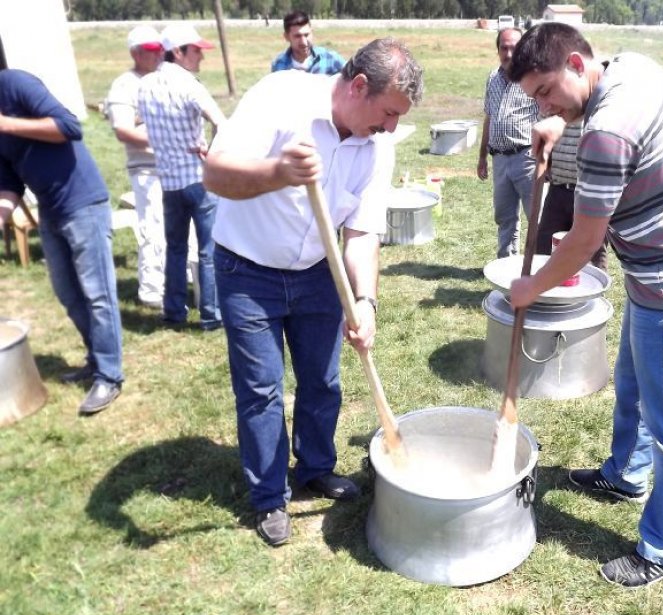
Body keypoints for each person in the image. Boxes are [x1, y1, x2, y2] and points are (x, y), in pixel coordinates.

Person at [507, 23, 663, 588]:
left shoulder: (606, 135)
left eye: (546, 92)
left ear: (577, 64)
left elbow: (584, 241)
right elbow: (595, 110)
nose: (544, 105)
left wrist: (532, 287)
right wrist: (561, 118)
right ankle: (626, 474)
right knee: (633, 382)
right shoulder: (632, 66)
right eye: (536, 99)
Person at [204, 38, 424, 546]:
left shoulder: (378, 145)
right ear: (359, 86)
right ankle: (269, 496)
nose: (392, 127)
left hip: (318, 272)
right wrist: (277, 172)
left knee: (323, 380)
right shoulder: (281, 97)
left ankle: (316, 467)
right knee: (261, 389)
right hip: (247, 269)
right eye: (389, 113)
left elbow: (362, 232)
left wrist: (365, 300)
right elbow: (215, 173)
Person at [0, 68, 124, 415]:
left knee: (98, 295)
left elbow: (69, 126)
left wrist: (6, 124)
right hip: (50, 210)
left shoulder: (15, 84)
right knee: (68, 293)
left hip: (83, 202)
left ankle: (109, 376)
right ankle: (96, 358)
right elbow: (9, 183)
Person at [137, 23, 225, 330]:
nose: (201, 56)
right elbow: (221, 122)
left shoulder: (145, 85)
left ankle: (174, 310)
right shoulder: (189, 85)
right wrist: (212, 151)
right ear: (178, 52)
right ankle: (212, 314)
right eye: (196, 50)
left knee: (175, 248)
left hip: (168, 180)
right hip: (198, 178)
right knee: (209, 250)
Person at [105, 26, 166, 309]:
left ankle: (181, 279)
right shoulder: (125, 85)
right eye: (152, 50)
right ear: (135, 53)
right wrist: (165, 142)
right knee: (153, 227)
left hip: (175, 166)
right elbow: (123, 131)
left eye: (160, 49)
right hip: (147, 168)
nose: (159, 54)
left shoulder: (165, 77)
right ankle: (152, 290)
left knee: (183, 226)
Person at [477, 27, 539, 258]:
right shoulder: (492, 78)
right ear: (498, 50)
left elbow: (547, 117)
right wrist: (482, 156)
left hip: (527, 157)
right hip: (500, 159)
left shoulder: (533, 78)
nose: (509, 53)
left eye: (514, 48)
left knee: (536, 217)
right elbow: (489, 117)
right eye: (504, 48)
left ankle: (539, 267)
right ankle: (506, 265)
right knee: (504, 217)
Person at [535, 119, 607, 270]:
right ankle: (544, 283)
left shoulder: (599, 114)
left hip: (589, 194)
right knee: (544, 245)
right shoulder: (558, 112)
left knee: (592, 251)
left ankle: (594, 285)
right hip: (558, 190)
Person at [270, 10, 345, 75]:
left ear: (312, 32)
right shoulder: (279, 65)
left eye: (306, 35)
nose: (304, 42)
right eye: (297, 36)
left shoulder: (330, 59)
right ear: (286, 37)